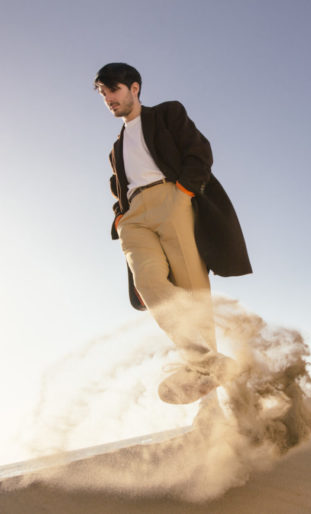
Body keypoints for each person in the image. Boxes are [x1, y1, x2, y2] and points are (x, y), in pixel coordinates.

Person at [94, 63, 252, 403]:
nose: (108, 99)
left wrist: (184, 192)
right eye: (103, 94)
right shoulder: (115, 148)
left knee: (194, 296)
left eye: (113, 90)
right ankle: (205, 361)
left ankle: (212, 409)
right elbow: (118, 187)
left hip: (173, 199)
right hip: (135, 218)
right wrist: (121, 218)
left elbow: (199, 150)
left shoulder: (167, 114)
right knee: (148, 282)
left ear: (134, 88)